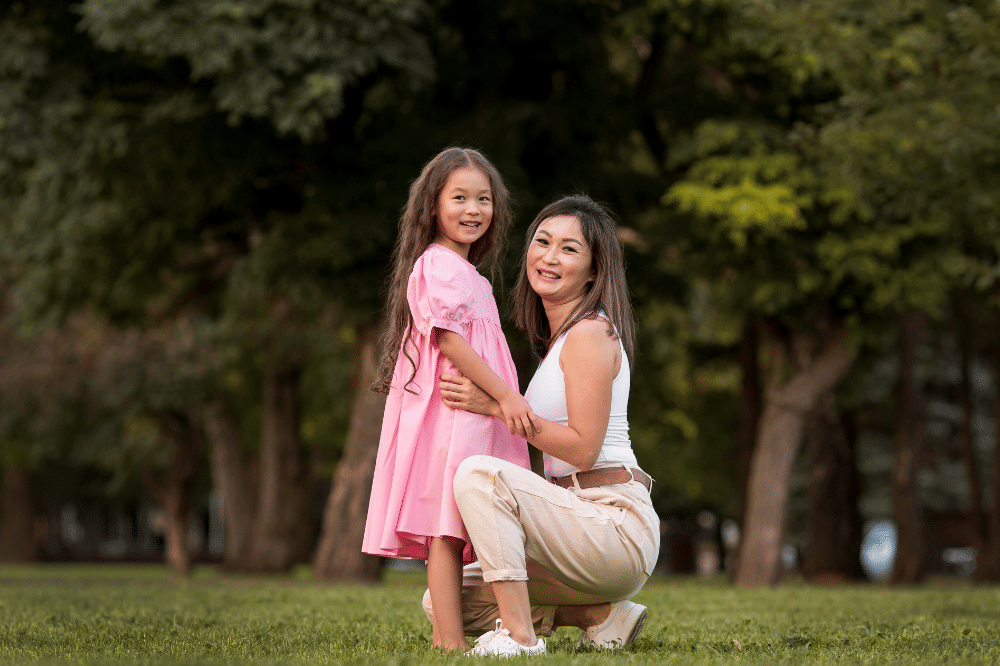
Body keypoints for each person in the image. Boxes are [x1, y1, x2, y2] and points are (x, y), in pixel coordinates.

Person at [426, 194, 660, 656]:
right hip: (571, 523)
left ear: (594, 270)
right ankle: (600, 615)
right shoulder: (558, 343)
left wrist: (496, 407)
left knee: (478, 473)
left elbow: (582, 451)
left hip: (613, 525)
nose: (549, 257)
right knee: (445, 602)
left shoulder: (591, 333)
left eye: (569, 249)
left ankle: (520, 636)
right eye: (542, 241)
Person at [362, 147, 536, 651]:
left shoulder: (469, 274)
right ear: (432, 206)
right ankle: (451, 642)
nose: (473, 209)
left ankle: (447, 638)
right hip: (456, 411)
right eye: (459, 197)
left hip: (470, 411)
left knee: (455, 525)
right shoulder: (438, 265)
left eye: (483, 199)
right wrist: (506, 397)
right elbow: (449, 341)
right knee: (447, 526)